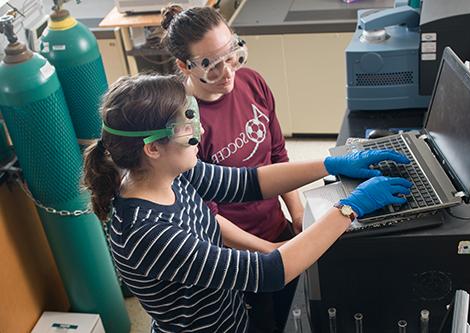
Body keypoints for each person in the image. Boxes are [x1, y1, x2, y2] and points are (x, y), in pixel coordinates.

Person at [83, 74, 413, 333]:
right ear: (152, 148)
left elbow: (247, 183)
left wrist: (331, 164)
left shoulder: (167, 173)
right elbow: (270, 273)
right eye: (187, 127)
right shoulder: (149, 233)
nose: (199, 130)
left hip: (233, 314)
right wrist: (348, 208)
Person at [160, 6, 305, 331]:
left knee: (293, 313)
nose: (228, 73)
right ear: (185, 66)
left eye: (232, 56)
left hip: (276, 231)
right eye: (212, 66)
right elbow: (207, 214)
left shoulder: (252, 82)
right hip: (239, 255)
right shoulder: (185, 124)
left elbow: (277, 156)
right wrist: (270, 254)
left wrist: (297, 217)